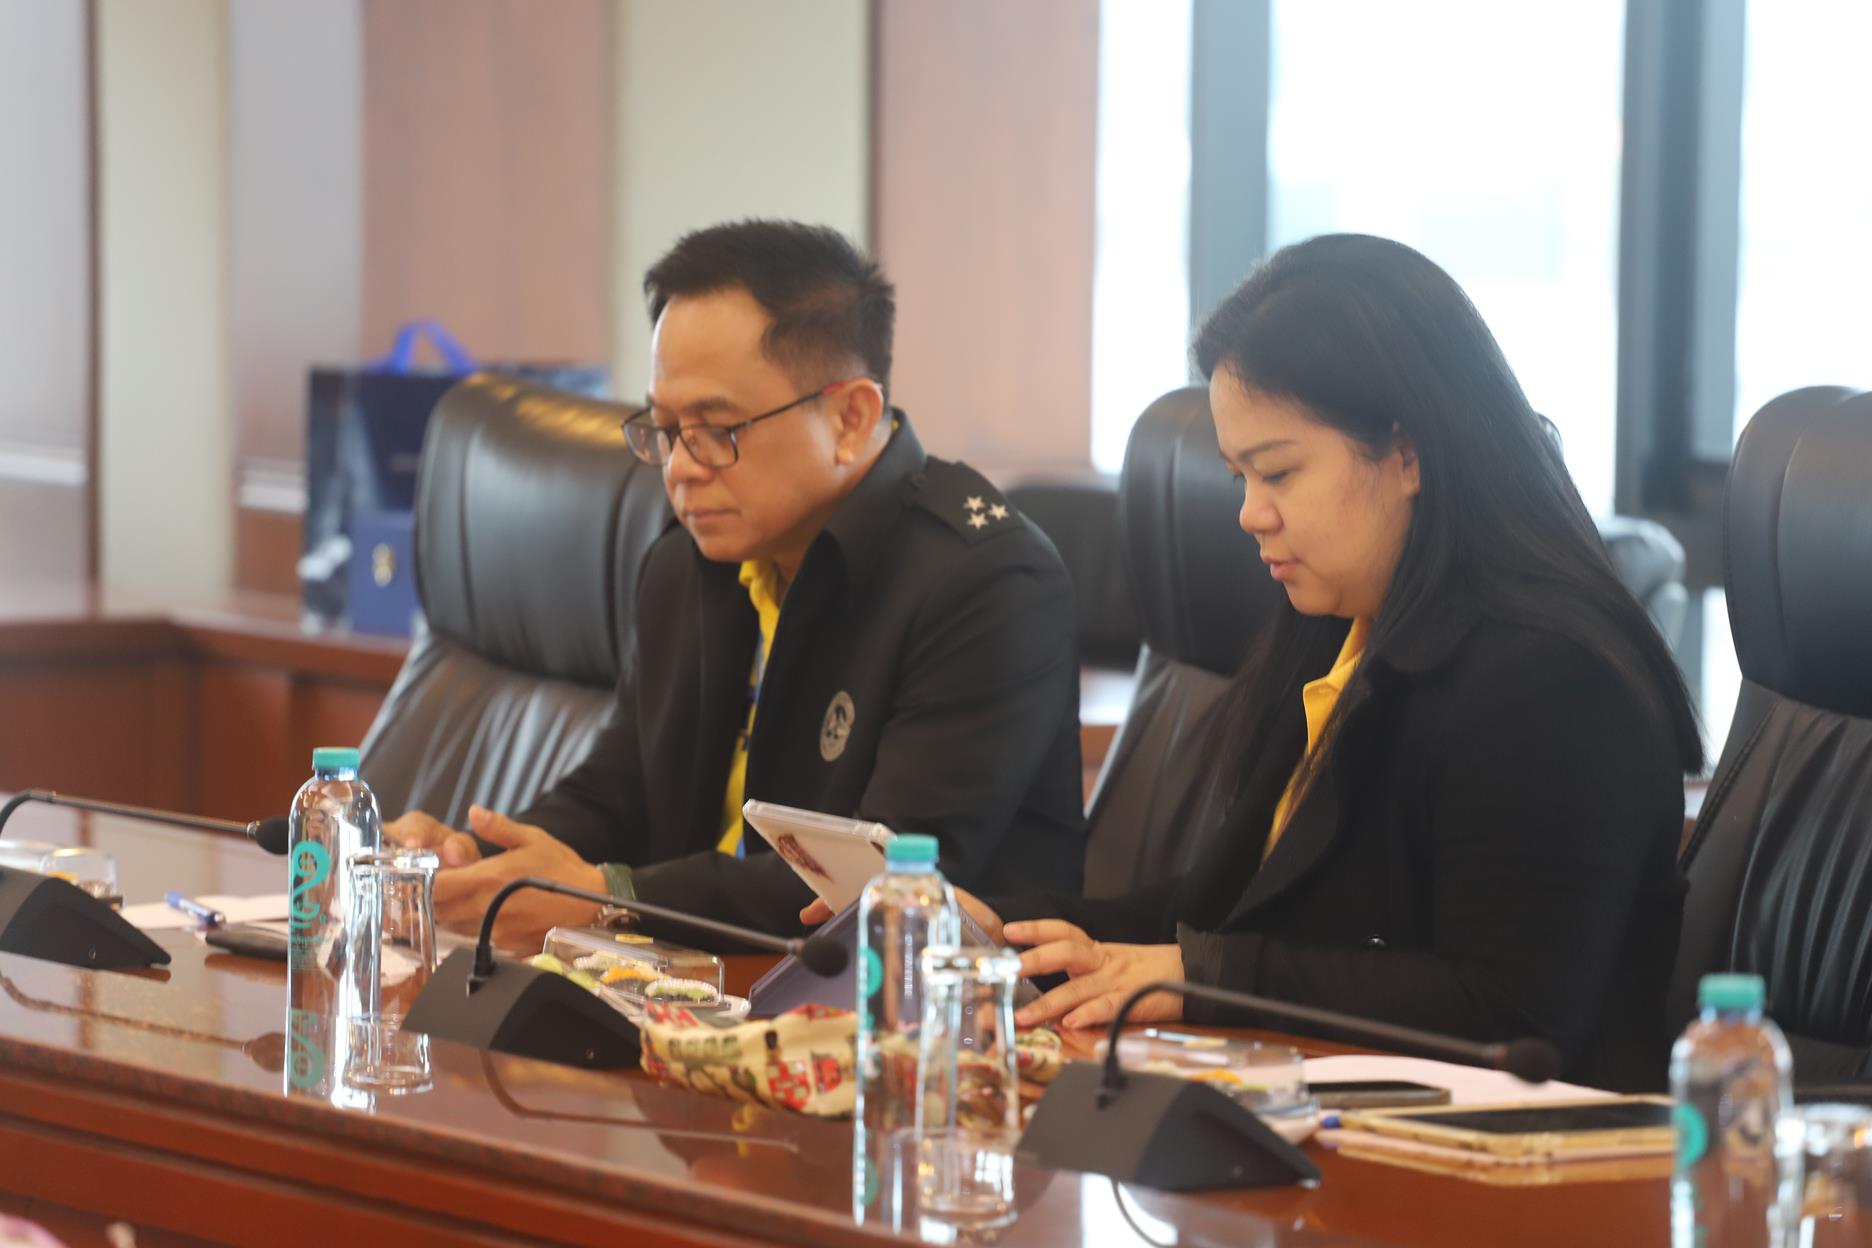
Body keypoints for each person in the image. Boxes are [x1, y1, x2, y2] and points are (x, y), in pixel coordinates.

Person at [890, 234, 1703, 1092]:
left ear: (1408, 454)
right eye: (1240, 476)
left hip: (1524, 1148)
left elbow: (1513, 1010)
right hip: (1347, 1114)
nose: (1250, 514)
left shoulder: (1552, 680)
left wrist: (1201, 975)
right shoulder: (1340, 624)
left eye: (1277, 473)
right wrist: (1007, 931)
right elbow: (1219, 911)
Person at [390, 220, 1085, 946]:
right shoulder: (690, 561)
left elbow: (875, 886)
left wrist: (609, 899)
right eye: (665, 429)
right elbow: (620, 790)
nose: (681, 468)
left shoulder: (986, 585)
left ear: (851, 417)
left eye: (717, 430)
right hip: (690, 978)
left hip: (912, 999)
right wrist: (485, 862)